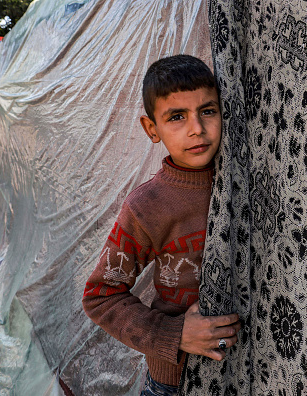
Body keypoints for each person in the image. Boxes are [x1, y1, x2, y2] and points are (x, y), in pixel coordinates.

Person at [82, 55, 241, 396]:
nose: (197, 128)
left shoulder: (241, 181)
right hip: (175, 380)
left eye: (208, 111)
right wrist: (174, 334)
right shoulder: (147, 206)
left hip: (246, 371)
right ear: (151, 128)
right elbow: (101, 297)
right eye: (177, 117)